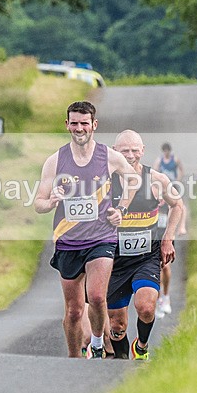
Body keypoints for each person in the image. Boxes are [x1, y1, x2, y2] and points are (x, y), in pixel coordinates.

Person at [34, 101, 139, 359]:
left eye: (84, 123)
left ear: (94, 125)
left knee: (96, 296)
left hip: (101, 237)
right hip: (68, 242)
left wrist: (121, 209)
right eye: (74, 123)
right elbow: (38, 204)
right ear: (67, 125)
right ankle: (74, 357)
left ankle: (97, 342)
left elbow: (134, 180)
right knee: (73, 310)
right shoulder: (55, 160)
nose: (79, 128)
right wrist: (52, 200)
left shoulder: (110, 157)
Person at [105, 130, 184, 360]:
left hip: (146, 257)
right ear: (114, 151)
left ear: (142, 151)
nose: (130, 155)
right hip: (114, 261)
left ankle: (141, 347)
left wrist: (168, 238)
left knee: (147, 307)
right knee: (117, 324)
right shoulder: (104, 183)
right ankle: (119, 362)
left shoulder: (157, 180)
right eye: (124, 150)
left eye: (134, 150)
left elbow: (177, 206)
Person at [152, 142, 186, 317]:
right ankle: (158, 299)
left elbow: (180, 207)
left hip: (166, 232)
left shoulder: (175, 160)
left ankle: (165, 296)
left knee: (164, 266)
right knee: (154, 268)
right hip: (153, 233)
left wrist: (181, 226)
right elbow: (156, 170)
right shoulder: (158, 168)